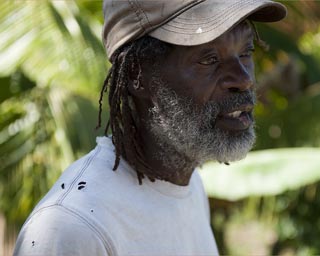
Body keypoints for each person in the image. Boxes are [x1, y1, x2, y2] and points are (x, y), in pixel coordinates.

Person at [14, 0, 286, 255]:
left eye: (246, 52)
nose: (243, 79)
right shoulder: (73, 227)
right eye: (209, 59)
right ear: (137, 75)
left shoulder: (188, 184)